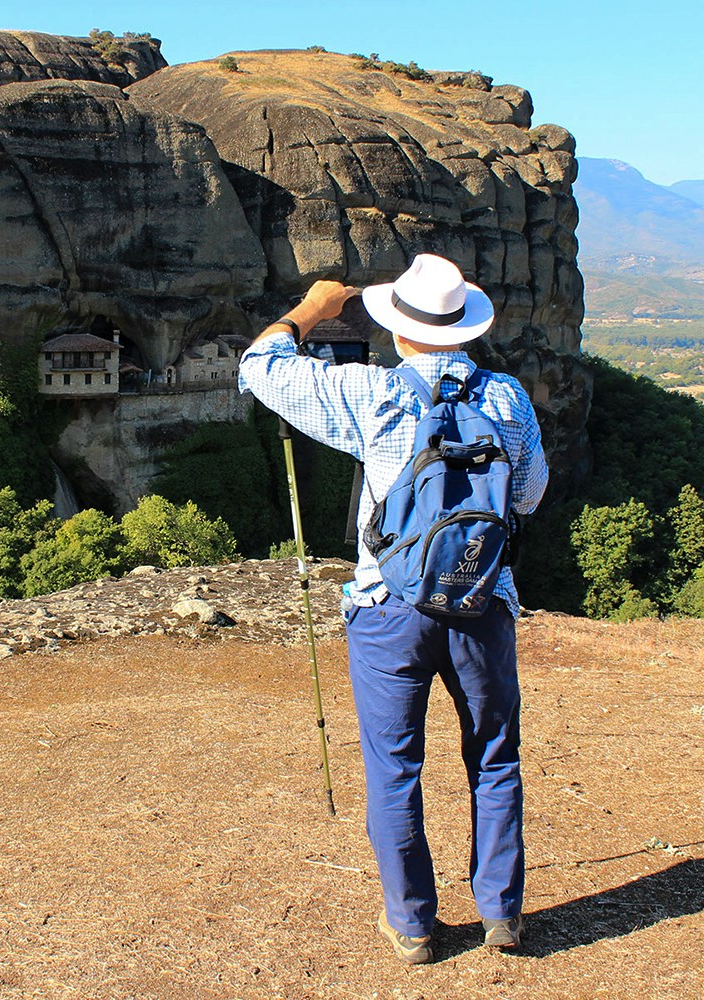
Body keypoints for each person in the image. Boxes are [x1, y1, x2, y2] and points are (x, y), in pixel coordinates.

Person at [237, 253, 548, 964]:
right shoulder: (507, 398)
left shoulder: (371, 393)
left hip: (389, 607)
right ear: (464, 326)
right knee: (495, 760)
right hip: (481, 598)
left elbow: (260, 368)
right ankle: (501, 915)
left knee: (394, 768)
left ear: (398, 329)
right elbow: (526, 497)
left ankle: (412, 926)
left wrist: (314, 307)